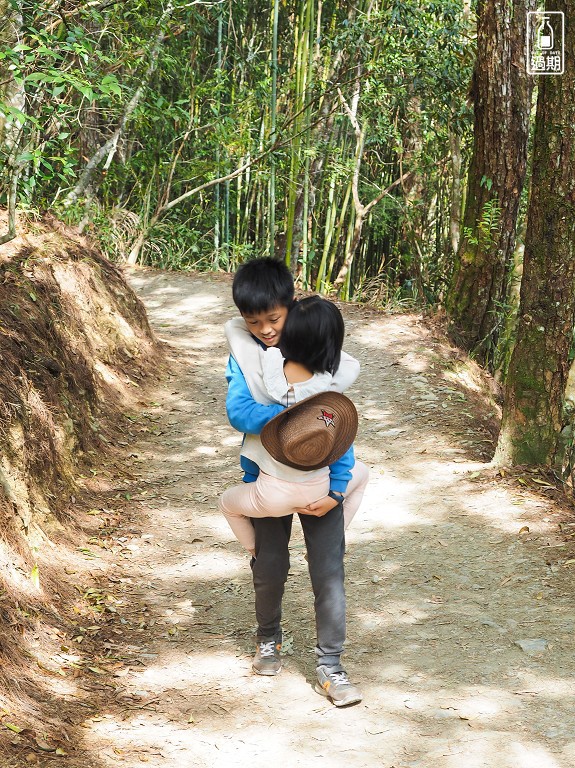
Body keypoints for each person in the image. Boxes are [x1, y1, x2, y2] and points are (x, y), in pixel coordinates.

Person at [221, 257, 369, 707]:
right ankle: (269, 638)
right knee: (269, 568)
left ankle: (331, 664)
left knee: (328, 572)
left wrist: (338, 490)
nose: (265, 329)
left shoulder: (315, 347)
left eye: (273, 319)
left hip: (324, 481)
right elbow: (238, 412)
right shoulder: (245, 357)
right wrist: (291, 419)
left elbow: (335, 426)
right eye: (253, 321)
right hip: (266, 476)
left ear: (291, 305)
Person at [220, 296, 366, 555]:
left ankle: (256, 551)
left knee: (227, 504)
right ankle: (331, 541)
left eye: (275, 320)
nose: (266, 330)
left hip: (268, 490)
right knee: (363, 473)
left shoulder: (270, 369)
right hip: (319, 487)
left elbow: (234, 328)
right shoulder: (326, 384)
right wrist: (336, 494)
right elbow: (343, 443)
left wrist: (285, 416)